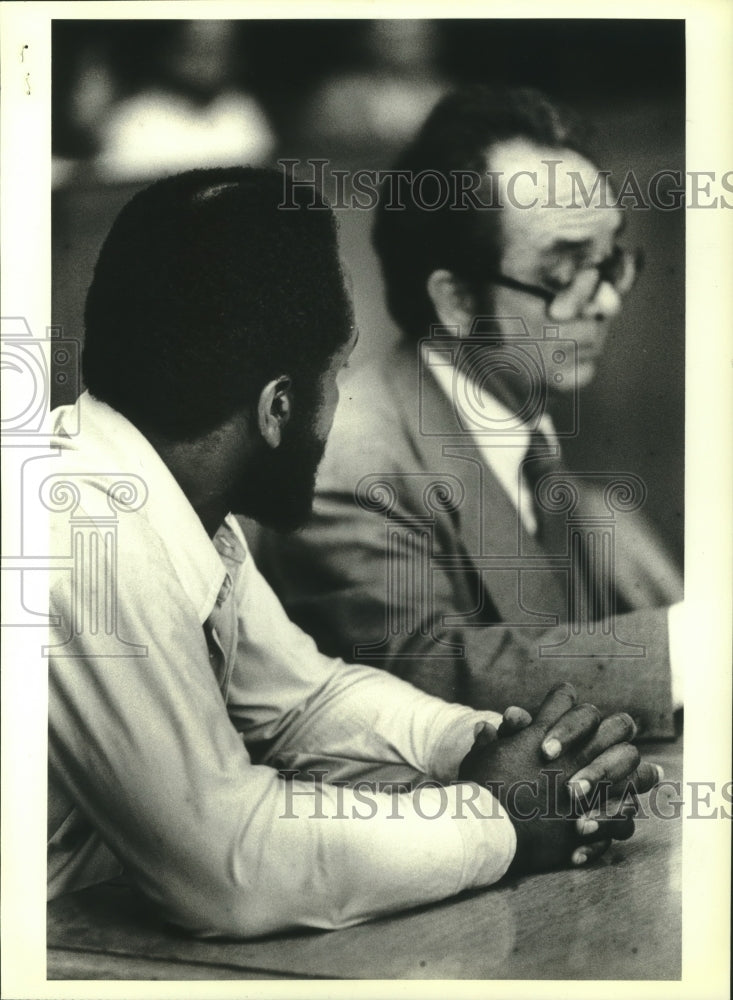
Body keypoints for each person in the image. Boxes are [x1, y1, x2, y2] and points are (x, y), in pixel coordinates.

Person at [48, 166, 660, 939]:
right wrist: (497, 819)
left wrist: (499, 749)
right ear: (276, 408)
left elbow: (305, 703)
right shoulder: (85, 535)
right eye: (335, 374)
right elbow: (227, 869)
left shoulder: (178, 502)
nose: (341, 406)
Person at [255, 86, 685, 738]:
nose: (604, 302)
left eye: (611, 261)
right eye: (563, 272)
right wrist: (692, 652)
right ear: (455, 299)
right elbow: (426, 677)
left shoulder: (536, 433)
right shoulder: (345, 461)